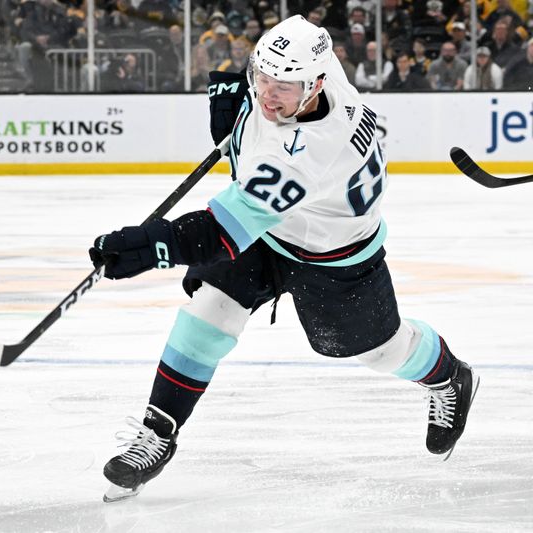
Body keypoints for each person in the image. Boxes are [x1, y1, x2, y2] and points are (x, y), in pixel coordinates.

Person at [89, 15, 479, 502]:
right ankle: (157, 433)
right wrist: (240, 97)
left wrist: (150, 246)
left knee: (381, 352)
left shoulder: (310, 151)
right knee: (208, 313)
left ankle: (449, 377)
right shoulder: (318, 68)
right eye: (262, 78)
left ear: (315, 85)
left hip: (336, 256)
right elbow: (290, 45)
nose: (268, 94)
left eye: (283, 87)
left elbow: (220, 231)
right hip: (274, 234)